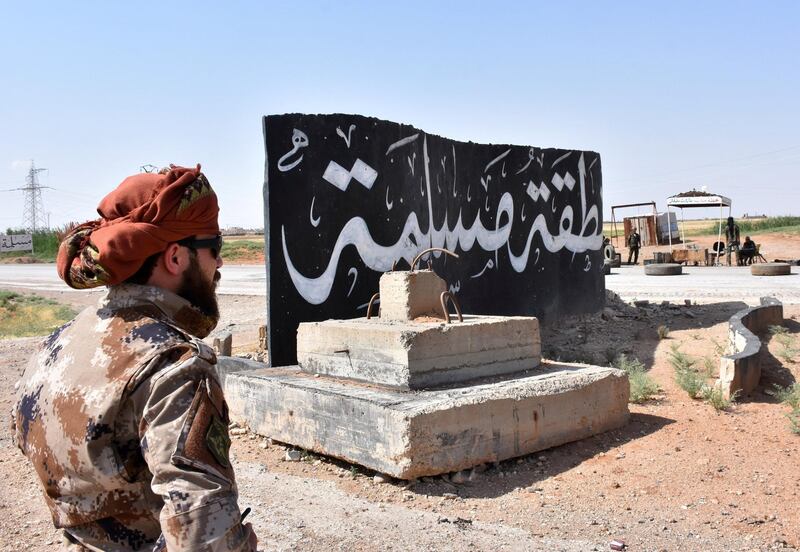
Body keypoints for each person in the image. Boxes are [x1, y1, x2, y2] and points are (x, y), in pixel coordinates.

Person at [11, 165, 258, 551]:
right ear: (175, 257)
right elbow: (204, 536)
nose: (219, 264)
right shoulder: (172, 362)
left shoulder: (54, 346)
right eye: (216, 247)